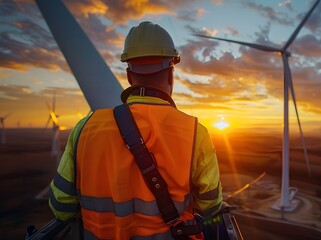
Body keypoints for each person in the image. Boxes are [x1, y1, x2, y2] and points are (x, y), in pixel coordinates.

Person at [48, 21, 223, 239]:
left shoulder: (85, 128)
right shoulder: (196, 132)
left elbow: (61, 207)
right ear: (171, 74)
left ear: (130, 77)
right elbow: (211, 206)